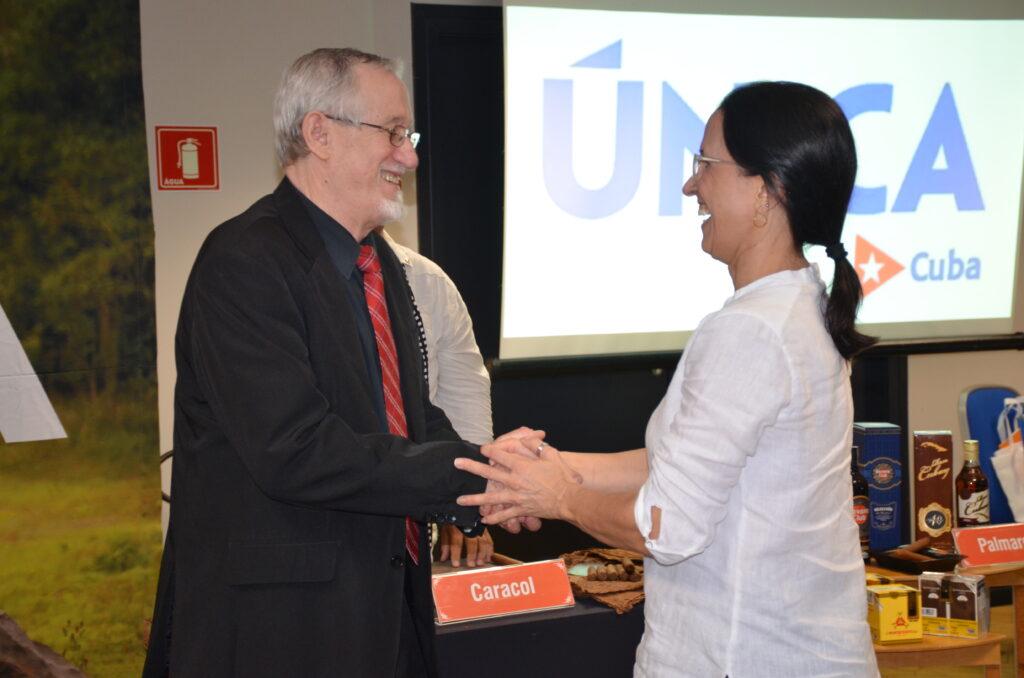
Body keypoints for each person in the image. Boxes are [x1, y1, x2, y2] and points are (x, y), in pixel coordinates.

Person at [455, 81, 881, 677]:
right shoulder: (796, 307)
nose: (691, 185)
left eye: (706, 164)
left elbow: (667, 525)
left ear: (765, 190)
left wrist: (559, 496)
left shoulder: (753, 331)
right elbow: (681, 465)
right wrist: (544, 469)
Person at [143, 47, 535, 678]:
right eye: (392, 133)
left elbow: (409, 416)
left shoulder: (381, 267)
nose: (408, 155)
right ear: (319, 133)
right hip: (282, 632)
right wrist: (474, 479)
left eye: (409, 136)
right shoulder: (243, 262)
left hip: (385, 614)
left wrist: (494, 471)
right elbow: (296, 449)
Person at [381, 229, 496, 566]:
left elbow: (463, 394)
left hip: (419, 519)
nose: (408, 171)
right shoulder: (287, 273)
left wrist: (463, 501)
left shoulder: (428, 280)